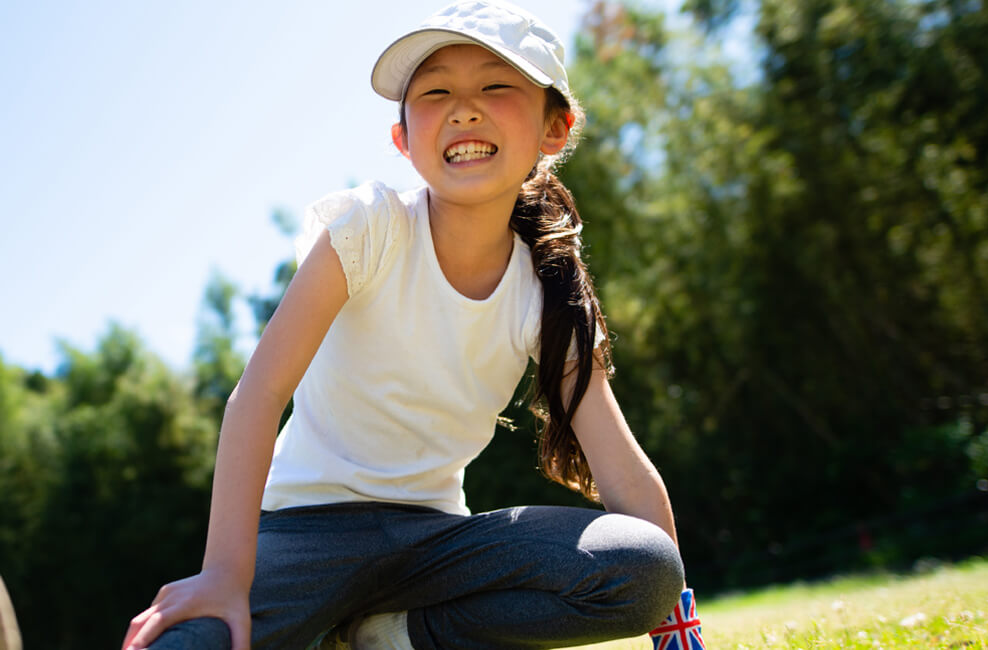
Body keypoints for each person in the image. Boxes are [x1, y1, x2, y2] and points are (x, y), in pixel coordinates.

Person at [120, 2, 697, 649]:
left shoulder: (548, 288)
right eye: (436, 91)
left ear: (554, 129)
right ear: (403, 139)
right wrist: (225, 576)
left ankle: (391, 637)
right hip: (305, 534)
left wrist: (675, 628)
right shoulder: (370, 226)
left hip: (437, 545)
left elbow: (620, 475)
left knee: (645, 566)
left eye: (496, 85)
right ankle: (323, 629)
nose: (465, 108)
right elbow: (257, 397)